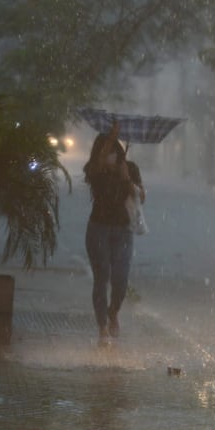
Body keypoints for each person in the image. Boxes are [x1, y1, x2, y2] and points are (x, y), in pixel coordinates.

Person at [83, 123, 145, 345]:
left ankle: (113, 312)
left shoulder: (130, 167)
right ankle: (102, 327)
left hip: (123, 230)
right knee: (102, 278)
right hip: (98, 228)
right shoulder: (94, 170)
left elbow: (142, 197)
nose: (108, 154)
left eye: (112, 150)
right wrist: (111, 137)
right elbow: (95, 168)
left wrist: (127, 178)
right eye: (105, 151)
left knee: (120, 280)